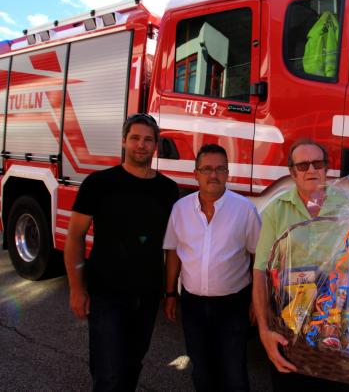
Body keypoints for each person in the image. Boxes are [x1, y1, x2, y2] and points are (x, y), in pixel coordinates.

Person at [64, 113, 179, 392]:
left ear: (156, 145)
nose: (141, 145)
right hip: (106, 295)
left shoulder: (168, 190)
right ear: (124, 141)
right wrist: (77, 289)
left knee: (132, 366)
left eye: (148, 139)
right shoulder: (99, 183)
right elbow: (75, 238)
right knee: (108, 374)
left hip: (147, 296)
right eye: (135, 138)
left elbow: (172, 247)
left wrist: (170, 293)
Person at [253, 138, 349, 392]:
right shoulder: (276, 211)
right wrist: (263, 330)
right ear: (292, 172)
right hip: (290, 330)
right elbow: (260, 270)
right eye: (303, 166)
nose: (311, 170)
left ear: (327, 169)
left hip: (340, 328)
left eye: (317, 164)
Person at [163, 144, 261, 392]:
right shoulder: (180, 209)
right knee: (202, 370)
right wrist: (170, 294)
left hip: (233, 305)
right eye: (206, 169)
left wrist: (256, 301)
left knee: (234, 372)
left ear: (228, 174)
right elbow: (173, 252)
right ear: (195, 174)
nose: (213, 175)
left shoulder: (245, 210)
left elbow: (258, 258)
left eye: (219, 169)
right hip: (193, 305)